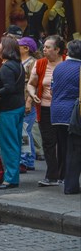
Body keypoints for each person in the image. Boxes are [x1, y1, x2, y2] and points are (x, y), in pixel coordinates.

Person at [0, 37, 25, 190]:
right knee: (15, 143)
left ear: (6, 49)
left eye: (0, 45)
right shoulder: (18, 65)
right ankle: (12, 176)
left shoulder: (8, 67)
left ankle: (10, 179)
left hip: (8, 109)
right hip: (18, 107)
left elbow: (9, 88)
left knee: (8, 144)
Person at [27, 35, 66, 187]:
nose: (44, 49)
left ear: (57, 50)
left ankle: (64, 174)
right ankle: (52, 175)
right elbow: (31, 84)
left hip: (63, 109)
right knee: (48, 142)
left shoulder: (67, 61)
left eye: (48, 47)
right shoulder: (40, 63)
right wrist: (32, 94)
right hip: (45, 107)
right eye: (44, 47)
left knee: (63, 142)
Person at [52, 40, 81, 194]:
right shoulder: (79, 68)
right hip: (74, 114)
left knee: (64, 148)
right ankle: (70, 184)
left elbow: (52, 88)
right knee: (74, 150)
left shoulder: (59, 67)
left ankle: (65, 180)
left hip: (57, 112)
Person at [18, 37, 39, 172]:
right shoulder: (19, 61)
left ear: (26, 48)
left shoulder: (32, 63)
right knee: (26, 130)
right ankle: (29, 160)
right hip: (19, 100)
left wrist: (29, 102)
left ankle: (25, 160)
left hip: (27, 101)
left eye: (19, 45)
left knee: (24, 131)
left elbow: (34, 84)